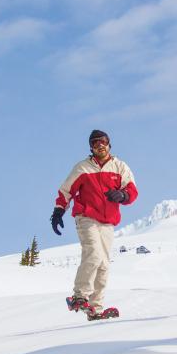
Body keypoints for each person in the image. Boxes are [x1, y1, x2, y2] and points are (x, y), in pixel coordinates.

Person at [50, 129, 138, 320]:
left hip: (107, 221)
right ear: (91, 147)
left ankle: (96, 309)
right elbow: (66, 191)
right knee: (94, 254)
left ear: (109, 144)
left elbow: (132, 190)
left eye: (103, 141)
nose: (100, 145)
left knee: (104, 265)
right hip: (87, 217)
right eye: (95, 142)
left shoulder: (119, 167)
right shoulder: (83, 168)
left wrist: (122, 195)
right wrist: (58, 212)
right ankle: (80, 295)